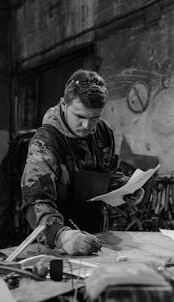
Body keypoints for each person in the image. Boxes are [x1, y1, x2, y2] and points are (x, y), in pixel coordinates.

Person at [20, 69, 143, 255]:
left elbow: (109, 173)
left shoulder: (103, 132)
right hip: (58, 244)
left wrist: (126, 188)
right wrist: (62, 237)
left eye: (94, 118)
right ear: (63, 104)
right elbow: (36, 201)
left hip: (98, 238)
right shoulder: (45, 142)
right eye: (80, 116)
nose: (87, 126)